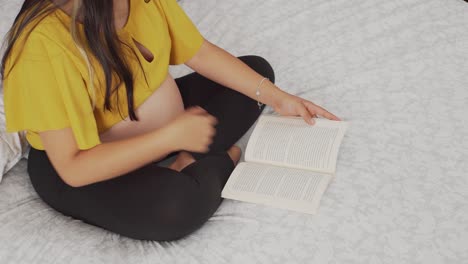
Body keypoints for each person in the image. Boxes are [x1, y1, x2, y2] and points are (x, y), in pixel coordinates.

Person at [1, 0, 341, 241]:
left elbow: (201, 53)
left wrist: (280, 98)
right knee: (171, 209)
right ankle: (220, 161)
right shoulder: (42, 48)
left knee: (257, 74)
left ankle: (187, 161)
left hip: (174, 128)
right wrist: (169, 138)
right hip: (83, 165)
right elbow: (74, 168)